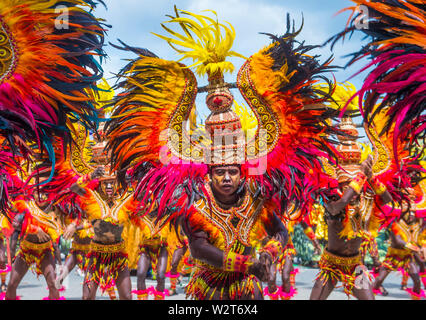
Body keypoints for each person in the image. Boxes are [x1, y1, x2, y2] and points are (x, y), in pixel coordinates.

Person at [310, 117, 393, 300]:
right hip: (331, 264)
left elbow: (389, 200)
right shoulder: (333, 200)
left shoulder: (366, 198)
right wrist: (361, 175)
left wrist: (371, 178)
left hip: (356, 265)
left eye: (356, 182)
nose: (353, 187)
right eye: (347, 183)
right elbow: (342, 202)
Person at [5, 195, 64, 300]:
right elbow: (15, 224)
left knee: (53, 284)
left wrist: (60, 264)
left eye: (45, 194)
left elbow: (57, 233)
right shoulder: (27, 207)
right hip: (26, 251)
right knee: (12, 283)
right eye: (38, 193)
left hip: (44, 251)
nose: (41, 197)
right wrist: (35, 228)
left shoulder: (54, 211)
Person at [373, 187, 426, 300]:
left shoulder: (417, 223)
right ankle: (368, 295)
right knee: (379, 280)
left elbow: (419, 238)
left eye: (413, 211)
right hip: (393, 257)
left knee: (416, 281)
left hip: (407, 257)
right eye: (408, 211)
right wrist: (415, 248)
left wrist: (422, 247)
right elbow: (398, 241)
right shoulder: (394, 221)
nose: (411, 214)